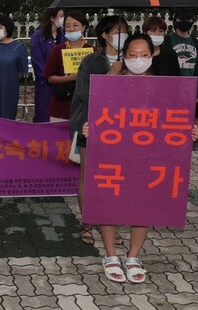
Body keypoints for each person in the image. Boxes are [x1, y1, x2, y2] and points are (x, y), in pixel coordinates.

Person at [81, 34, 198, 283]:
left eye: (144, 55)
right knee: (110, 200)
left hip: (148, 155)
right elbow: (97, 116)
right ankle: (111, 255)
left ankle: (134, 256)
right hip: (114, 154)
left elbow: (175, 119)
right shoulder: (111, 83)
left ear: (152, 55)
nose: (138, 60)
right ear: (124, 56)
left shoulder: (164, 87)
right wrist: (89, 129)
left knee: (143, 200)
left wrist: (189, 131)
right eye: (132, 55)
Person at [68, 15, 126, 247]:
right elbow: (84, 93)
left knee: (114, 177)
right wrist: (111, 74)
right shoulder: (91, 61)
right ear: (105, 35)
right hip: (90, 125)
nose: (122, 36)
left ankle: (109, 224)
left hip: (121, 129)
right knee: (88, 176)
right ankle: (88, 222)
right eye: (117, 31)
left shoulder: (131, 60)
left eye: (124, 31)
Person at [44, 10, 92, 122]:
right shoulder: (57, 50)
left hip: (84, 106)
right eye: (67, 26)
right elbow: (50, 78)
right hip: (60, 106)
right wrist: (70, 78)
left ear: (83, 27)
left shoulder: (92, 51)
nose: (71, 29)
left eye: (75, 25)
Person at [30, 8, 64, 122]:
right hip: (45, 81)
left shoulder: (63, 34)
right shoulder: (38, 36)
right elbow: (37, 60)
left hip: (62, 80)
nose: (63, 19)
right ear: (52, 18)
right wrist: (49, 75)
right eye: (61, 16)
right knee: (43, 111)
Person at [168, 13, 198, 97]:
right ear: (175, 21)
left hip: (188, 88)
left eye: (188, 19)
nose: (185, 22)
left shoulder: (194, 41)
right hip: (171, 87)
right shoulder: (168, 40)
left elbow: (197, 68)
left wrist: (197, 93)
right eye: (181, 19)